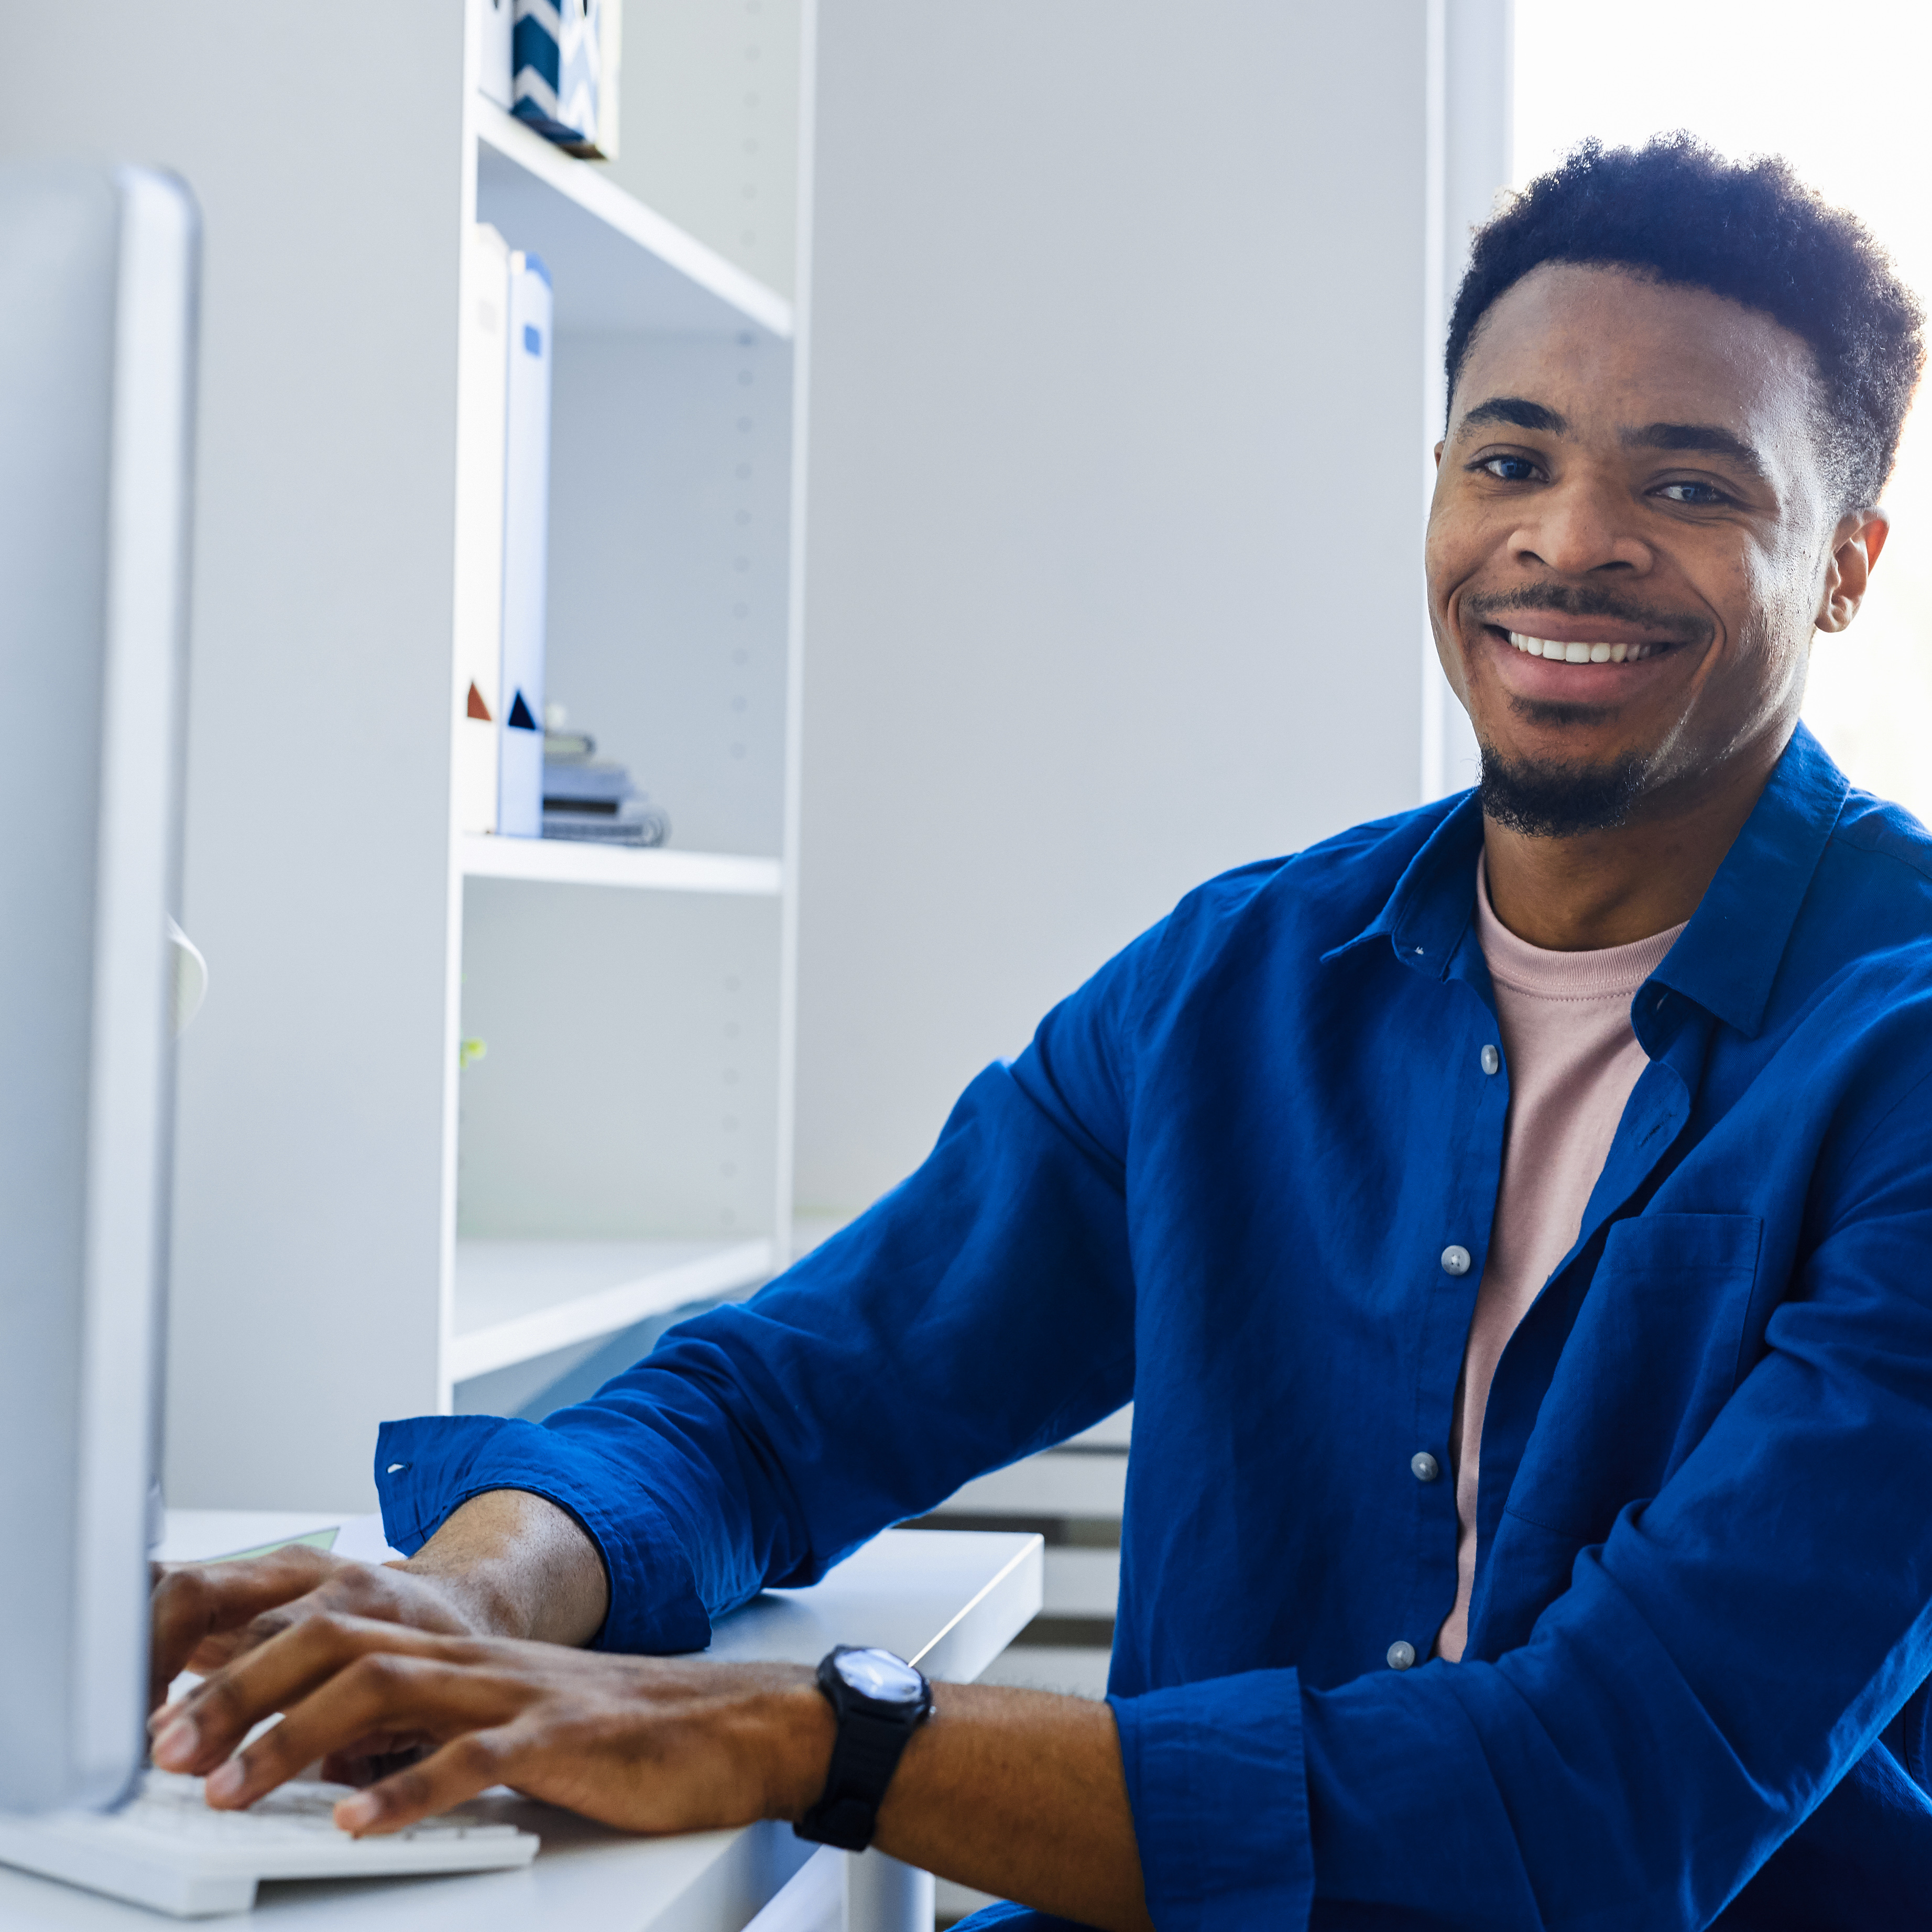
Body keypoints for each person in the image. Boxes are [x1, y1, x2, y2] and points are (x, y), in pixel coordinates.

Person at [148, 135, 1932, 1929]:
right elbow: (783, 1398)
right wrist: (468, 1609)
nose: (1567, 542)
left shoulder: (1906, 1051)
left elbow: (1602, 1796)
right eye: (1510, 460)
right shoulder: (1241, 982)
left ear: (1847, 564)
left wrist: (811, 1739)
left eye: (1692, 490)